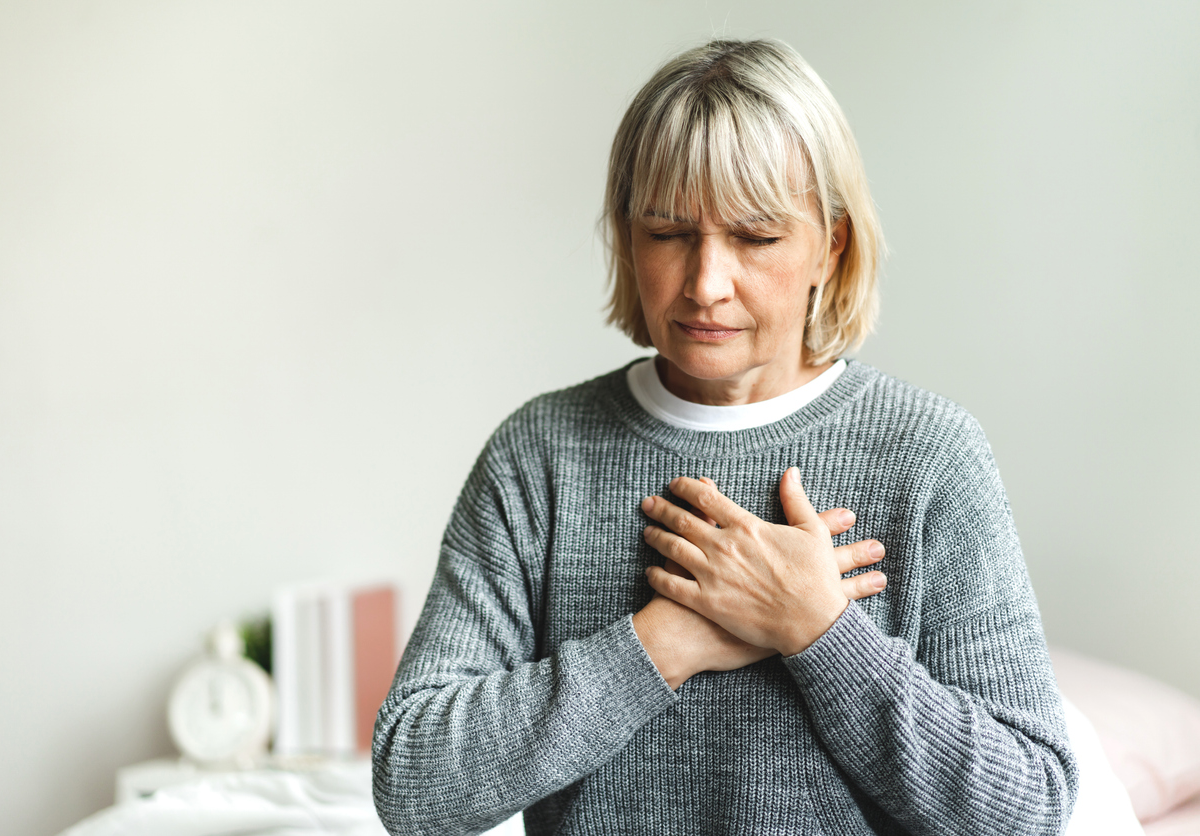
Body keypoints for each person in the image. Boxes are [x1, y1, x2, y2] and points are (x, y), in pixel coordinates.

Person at [372, 38, 1077, 835]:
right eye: (668, 233)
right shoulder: (540, 454)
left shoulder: (929, 456)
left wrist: (815, 629)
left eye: (755, 238)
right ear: (627, 237)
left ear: (830, 245)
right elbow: (414, 787)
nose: (705, 284)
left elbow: (1027, 807)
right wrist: (665, 641)